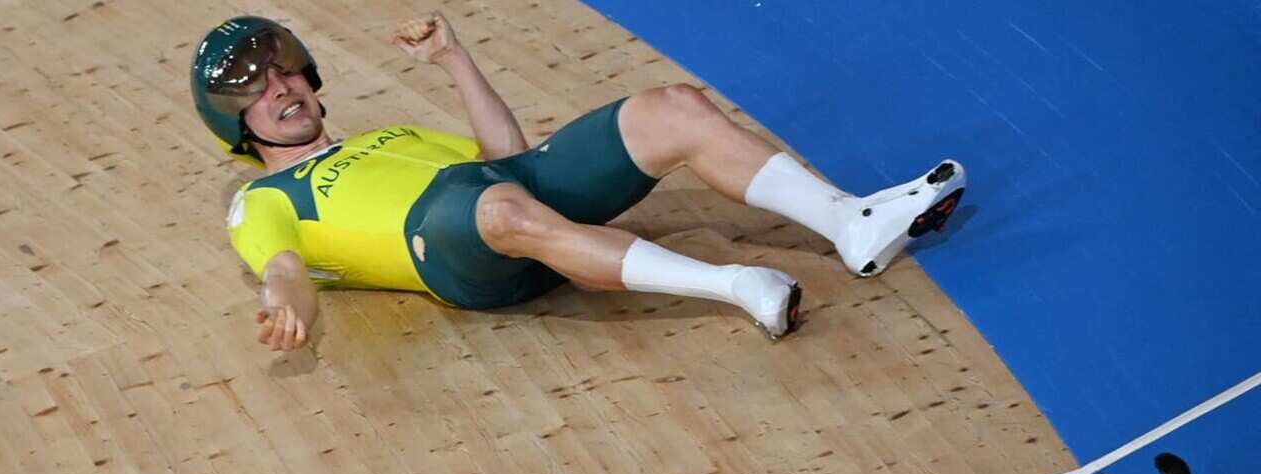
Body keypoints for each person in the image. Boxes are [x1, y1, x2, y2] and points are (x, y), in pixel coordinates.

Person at [190, 13, 965, 352]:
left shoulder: (390, 136)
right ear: (236, 124)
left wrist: (456, 61)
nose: (281, 88)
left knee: (673, 108)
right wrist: (284, 311)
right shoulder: (260, 202)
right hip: (455, 255)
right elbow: (284, 271)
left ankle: (849, 223)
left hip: (500, 193)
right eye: (256, 89)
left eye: (285, 68)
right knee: (496, 206)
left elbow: (506, 154)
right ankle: (737, 285)